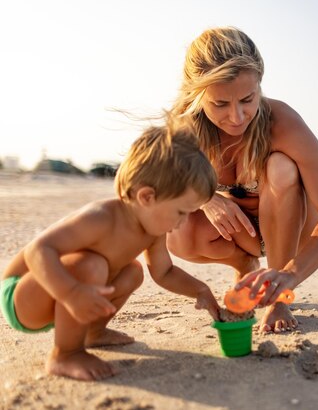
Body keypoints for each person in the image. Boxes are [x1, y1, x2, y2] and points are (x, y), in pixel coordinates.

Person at [0, 124, 221, 381]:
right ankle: (65, 353)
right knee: (92, 265)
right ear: (147, 197)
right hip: (24, 296)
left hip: (74, 294)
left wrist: (200, 290)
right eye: (181, 212)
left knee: (133, 272)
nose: (183, 223)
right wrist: (70, 292)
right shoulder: (100, 218)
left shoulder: (154, 229)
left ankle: (93, 331)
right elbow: (38, 250)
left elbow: (165, 271)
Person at [166, 26, 318, 333]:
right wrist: (207, 199)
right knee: (178, 231)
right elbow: (151, 194)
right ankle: (245, 266)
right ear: (196, 95)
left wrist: (290, 275)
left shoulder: (282, 122)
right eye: (220, 104)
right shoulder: (185, 129)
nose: (236, 117)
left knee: (280, 167)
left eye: (247, 99)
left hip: (294, 227)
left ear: (259, 85)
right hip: (242, 233)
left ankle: (278, 296)